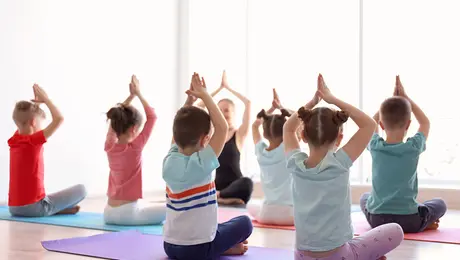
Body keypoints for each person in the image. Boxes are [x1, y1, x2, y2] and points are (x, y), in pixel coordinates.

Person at [284, 74, 403, 260]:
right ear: (340, 138)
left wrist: (311, 103)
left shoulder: (295, 164)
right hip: (338, 256)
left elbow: (288, 129)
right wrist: (332, 98)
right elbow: (369, 125)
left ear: (304, 136)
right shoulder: (339, 163)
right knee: (395, 230)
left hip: (301, 256)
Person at [163, 73, 253, 260]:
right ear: (205, 139)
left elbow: (178, 129)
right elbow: (221, 127)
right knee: (245, 223)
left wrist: (190, 101)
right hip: (198, 249)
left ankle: (220, 246)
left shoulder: (169, 160)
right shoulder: (202, 163)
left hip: (170, 246)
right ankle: (220, 248)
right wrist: (204, 95)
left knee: (217, 226)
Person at [360, 75, 447, 233]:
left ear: (381, 124)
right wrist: (406, 99)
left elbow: (370, 123)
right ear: (408, 124)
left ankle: (423, 218)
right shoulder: (413, 147)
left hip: (377, 220)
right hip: (409, 220)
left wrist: (387, 104)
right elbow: (425, 123)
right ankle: (425, 221)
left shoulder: (375, 146)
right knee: (440, 203)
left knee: (364, 197)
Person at [8, 84, 87, 217]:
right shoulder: (33, 141)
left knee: (47, 197)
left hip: (14, 208)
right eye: (40, 123)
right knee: (82, 189)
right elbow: (59, 119)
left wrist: (35, 107)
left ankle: (54, 209)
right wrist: (46, 99)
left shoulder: (14, 140)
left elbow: (22, 119)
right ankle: (49, 210)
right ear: (33, 123)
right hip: (33, 207)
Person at [103, 75, 165, 226]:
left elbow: (115, 120)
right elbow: (153, 117)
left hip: (108, 212)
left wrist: (130, 97)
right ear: (134, 129)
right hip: (128, 215)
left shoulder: (109, 146)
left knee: (149, 205)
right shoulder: (135, 148)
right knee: (173, 208)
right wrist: (138, 94)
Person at [196, 71, 253, 205]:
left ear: (233, 113)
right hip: (216, 185)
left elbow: (248, 103)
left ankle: (220, 197)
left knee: (248, 183)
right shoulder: (213, 136)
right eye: (220, 110)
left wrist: (228, 88)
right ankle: (223, 199)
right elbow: (199, 106)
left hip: (236, 185)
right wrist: (217, 90)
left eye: (226, 110)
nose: (223, 114)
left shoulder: (239, 134)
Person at [247, 88, 294, 225]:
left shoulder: (261, 151)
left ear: (265, 134)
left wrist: (271, 109)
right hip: (291, 215)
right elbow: (299, 118)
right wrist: (281, 107)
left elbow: (255, 126)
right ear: (287, 131)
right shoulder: (287, 149)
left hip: (266, 214)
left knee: (251, 205)